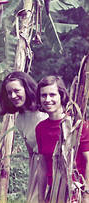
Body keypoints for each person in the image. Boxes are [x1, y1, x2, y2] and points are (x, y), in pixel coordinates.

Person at [35, 75, 89, 203]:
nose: (48, 99)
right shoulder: (41, 128)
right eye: (43, 95)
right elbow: (43, 166)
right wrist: (41, 198)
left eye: (52, 95)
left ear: (61, 96)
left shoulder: (78, 126)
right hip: (54, 193)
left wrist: (86, 195)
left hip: (77, 193)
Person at [0, 71, 48, 203]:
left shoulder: (44, 113)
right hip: (36, 167)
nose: (13, 96)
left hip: (52, 166)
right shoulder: (20, 119)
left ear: (26, 89)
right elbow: (31, 152)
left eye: (16, 90)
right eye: (9, 93)